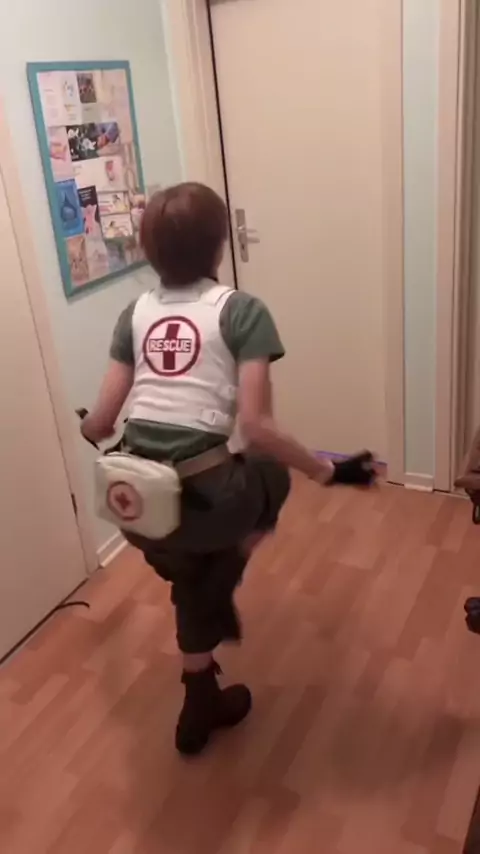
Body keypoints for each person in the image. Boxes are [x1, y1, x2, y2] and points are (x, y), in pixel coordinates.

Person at [81, 182, 376, 756]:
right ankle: (230, 562)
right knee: (271, 472)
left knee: (189, 581)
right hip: (209, 507)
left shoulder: (134, 314)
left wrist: (88, 428)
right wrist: (327, 472)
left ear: (149, 251)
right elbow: (258, 429)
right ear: (219, 246)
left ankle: (200, 702)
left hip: (136, 509)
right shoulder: (241, 311)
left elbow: (100, 421)